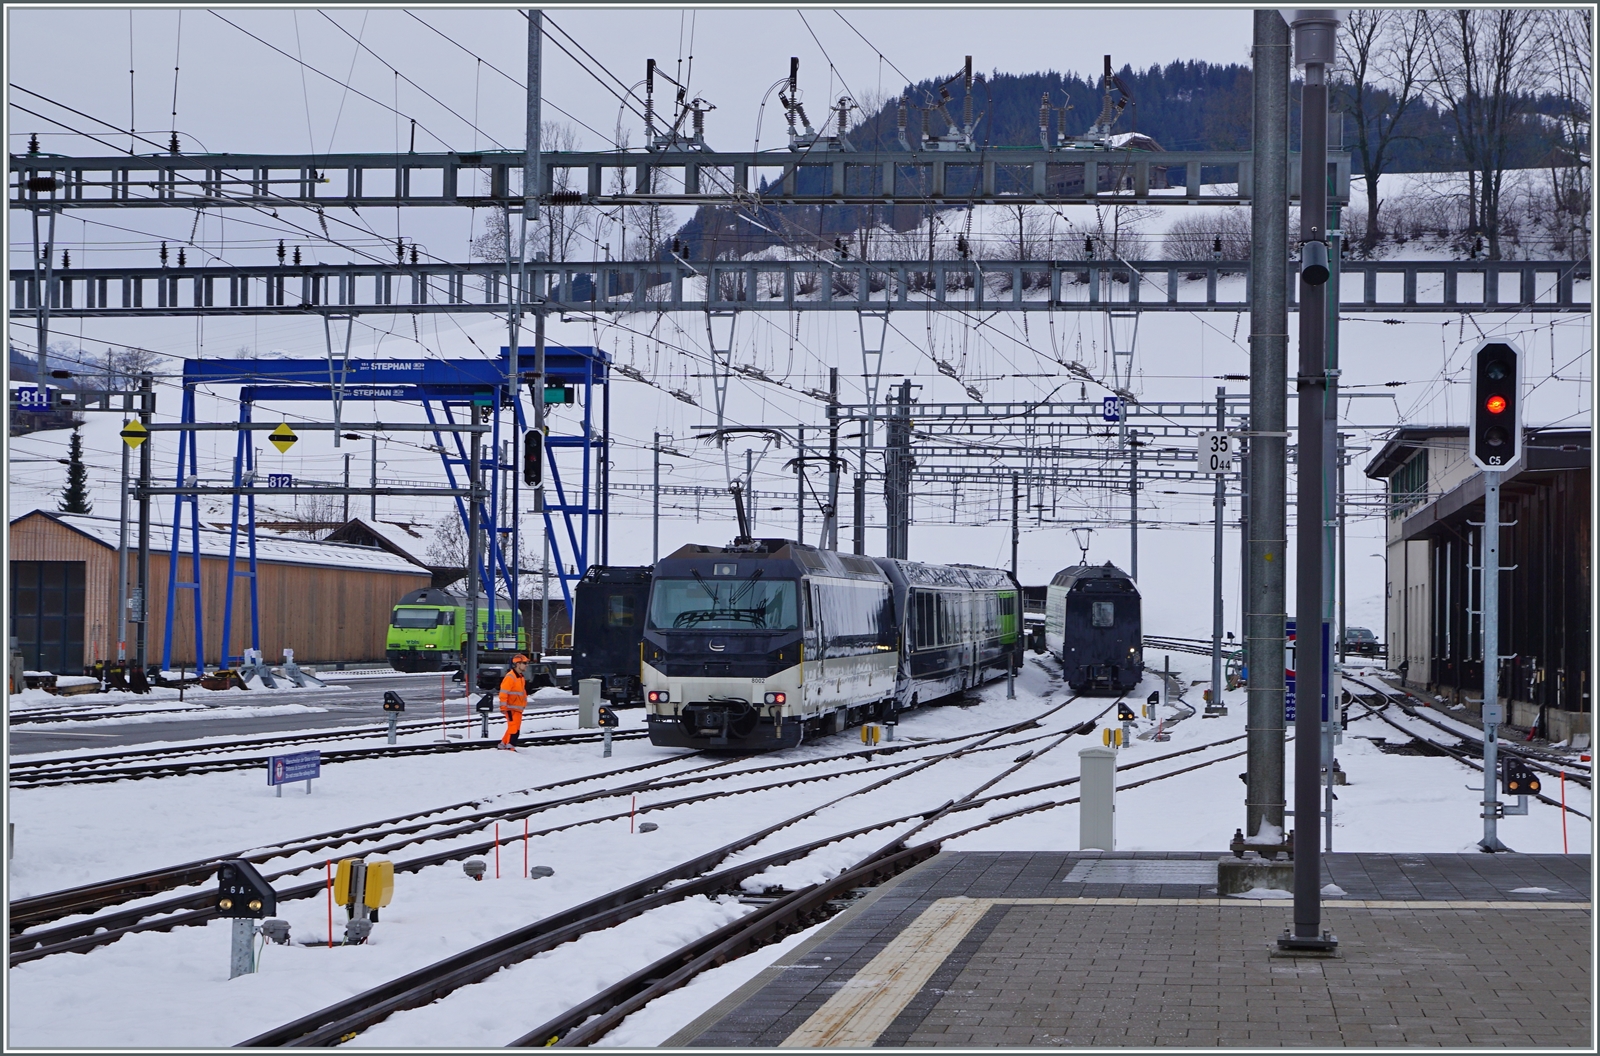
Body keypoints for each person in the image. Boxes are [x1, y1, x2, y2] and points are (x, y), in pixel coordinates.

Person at [498, 654, 530, 750]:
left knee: (514, 727)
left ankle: (503, 744)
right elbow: (503, 693)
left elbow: (523, 693)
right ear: (517, 664)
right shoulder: (510, 677)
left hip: (517, 708)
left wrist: (524, 704)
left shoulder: (520, 677)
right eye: (524, 663)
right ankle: (510, 746)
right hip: (510, 708)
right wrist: (504, 707)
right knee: (514, 728)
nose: (526, 665)